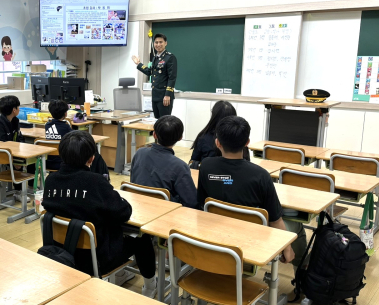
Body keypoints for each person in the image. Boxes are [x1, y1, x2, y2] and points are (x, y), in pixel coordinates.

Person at [42, 131, 157, 297]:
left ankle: (121, 274)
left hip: (61, 252)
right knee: (142, 236)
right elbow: (124, 212)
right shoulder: (95, 182)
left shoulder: (51, 180)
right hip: (97, 259)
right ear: (91, 159)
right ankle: (150, 287)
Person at [196, 116, 303, 270]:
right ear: (247, 143)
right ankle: (302, 273)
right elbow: (275, 220)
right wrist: (287, 247)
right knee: (297, 227)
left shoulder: (206, 166)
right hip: (252, 241)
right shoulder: (261, 175)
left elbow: (201, 204)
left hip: (217, 233)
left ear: (217, 142)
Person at [130, 116, 198, 208]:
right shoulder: (180, 166)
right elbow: (191, 202)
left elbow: (133, 181)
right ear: (180, 137)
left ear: (154, 135)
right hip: (165, 212)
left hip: (138, 207)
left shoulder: (139, 153)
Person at [44, 99, 110, 177]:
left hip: (47, 162)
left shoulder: (47, 126)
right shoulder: (66, 127)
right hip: (64, 163)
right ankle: (99, 176)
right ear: (65, 114)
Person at [0, 95, 33, 197]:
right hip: (2, 155)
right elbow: (3, 146)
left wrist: (25, 150)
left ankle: (31, 188)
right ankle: (18, 191)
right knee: (19, 165)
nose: (19, 109)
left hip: (14, 151)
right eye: (18, 107)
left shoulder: (15, 121)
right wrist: (13, 161)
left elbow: (19, 137)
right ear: (14, 110)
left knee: (32, 159)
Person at [190, 100, 250, 167]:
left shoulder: (203, 137)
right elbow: (247, 163)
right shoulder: (239, 135)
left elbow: (192, 163)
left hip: (208, 174)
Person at [132, 33, 177, 118]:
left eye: (161, 42)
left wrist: (167, 95)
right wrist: (138, 64)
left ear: (165, 43)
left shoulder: (170, 57)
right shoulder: (155, 57)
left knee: (164, 122)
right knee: (156, 121)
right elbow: (150, 72)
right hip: (155, 95)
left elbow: (172, 78)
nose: (158, 44)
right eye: (156, 42)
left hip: (164, 96)